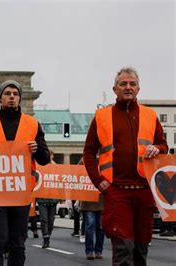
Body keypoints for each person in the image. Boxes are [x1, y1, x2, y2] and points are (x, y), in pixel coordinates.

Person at [83, 67, 168, 265]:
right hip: (117, 192)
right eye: (123, 84)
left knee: (140, 250)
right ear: (115, 89)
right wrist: (99, 183)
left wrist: (157, 147)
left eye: (132, 84)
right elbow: (88, 153)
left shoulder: (150, 115)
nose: (128, 87)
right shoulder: (102, 116)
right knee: (123, 250)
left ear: (138, 89)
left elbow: (164, 145)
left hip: (144, 192)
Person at [0, 80, 50, 265]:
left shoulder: (32, 124)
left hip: (20, 194)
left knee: (17, 243)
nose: (12, 97)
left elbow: (45, 158)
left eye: (16, 94)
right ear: (0, 98)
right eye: (8, 93)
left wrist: (37, 148)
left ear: (20, 99)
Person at [79, 195, 104, 260]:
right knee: (90, 226)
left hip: (101, 202)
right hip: (88, 202)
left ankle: (98, 251)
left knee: (100, 227)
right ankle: (90, 251)